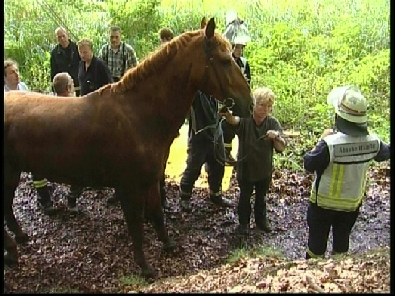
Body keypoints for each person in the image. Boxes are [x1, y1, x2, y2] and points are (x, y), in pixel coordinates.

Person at [303, 86, 390, 259]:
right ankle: (340, 275)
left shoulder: (329, 145)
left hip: (323, 205)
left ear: (340, 116)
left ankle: (312, 274)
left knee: (316, 246)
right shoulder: (374, 142)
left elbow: (309, 163)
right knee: (342, 244)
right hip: (351, 205)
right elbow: (385, 153)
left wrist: (321, 139)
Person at [220, 87, 286, 234]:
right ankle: (243, 223)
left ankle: (261, 221)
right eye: (262, 105)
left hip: (264, 170)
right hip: (246, 169)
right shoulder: (246, 120)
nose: (265, 109)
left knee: (261, 198)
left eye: (269, 106)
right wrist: (227, 113)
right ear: (254, 105)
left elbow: (281, 148)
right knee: (244, 198)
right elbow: (233, 120)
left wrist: (275, 136)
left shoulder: (272, 123)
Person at [4, 59, 56, 215]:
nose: (16, 75)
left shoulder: (24, 87)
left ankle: (44, 199)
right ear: (5, 77)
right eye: (12, 72)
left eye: (17, 71)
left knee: (38, 165)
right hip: (13, 138)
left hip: (29, 133)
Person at [179, 91, 234, 212]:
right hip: (199, 135)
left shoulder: (216, 90)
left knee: (219, 165)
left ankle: (216, 195)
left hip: (216, 133)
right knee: (193, 167)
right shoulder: (196, 92)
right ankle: (185, 196)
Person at [52, 72, 80, 213]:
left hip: (55, 153)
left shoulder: (51, 105)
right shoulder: (73, 106)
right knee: (79, 176)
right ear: (69, 88)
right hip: (72, 152)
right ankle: (72, 199)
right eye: (72, 83)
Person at [222, 36, 252, 164]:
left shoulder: (244, 63)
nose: (239, 50)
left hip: (240, 99)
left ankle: (242, 154)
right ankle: (225, 153)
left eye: (241, 48)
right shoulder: (226, 62)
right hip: (228, 99)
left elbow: (249, 81)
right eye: (237, 47)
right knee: (226, 127)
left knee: (242, 125)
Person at [157, 27, 175, 209]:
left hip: (167, 119)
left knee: (162, 157)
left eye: (168, 38)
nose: (165, 42)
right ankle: (157, 199)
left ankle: (161, 198)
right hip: (156, 118)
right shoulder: (159, 61)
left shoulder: (175, 61)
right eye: (163, 39)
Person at [50, 27, 81, 96]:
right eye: (59, 37)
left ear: (67, 35)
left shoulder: (77, 48)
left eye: (63, 36)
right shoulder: (54, 53)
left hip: (78, 85)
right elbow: (53, 73)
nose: (62, 39)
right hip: (63, 90)